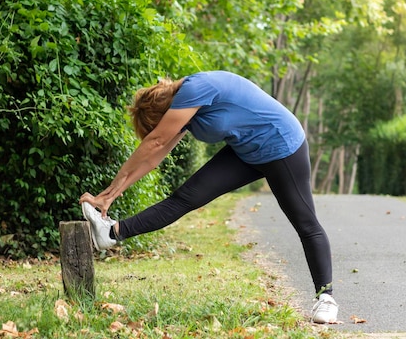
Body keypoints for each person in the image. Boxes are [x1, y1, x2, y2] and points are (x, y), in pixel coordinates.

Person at [79, 70, 339, 324]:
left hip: (281, 145)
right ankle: (111, 233)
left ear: (161, 113)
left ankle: (325, 298)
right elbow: (154, 156)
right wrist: (109, 196)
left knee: (305, 223)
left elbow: (156, 142)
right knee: (185, 197)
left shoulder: (195, 89)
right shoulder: (185, 111)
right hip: (245, 151)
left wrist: (110, 190)